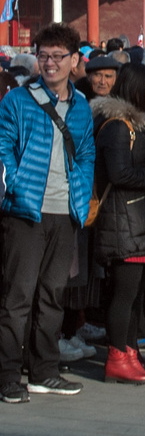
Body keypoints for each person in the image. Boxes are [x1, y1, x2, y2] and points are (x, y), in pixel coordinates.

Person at [0, 21, 95, 403]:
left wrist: (82, 197)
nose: (51, 63)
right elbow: (3, 149)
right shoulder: (17, 101)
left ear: (74, 60)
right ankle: (8, 375)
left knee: (52, 295)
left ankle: (44, 371)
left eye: (59, 57)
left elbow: (86, 154)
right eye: (44, 56)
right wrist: (17, 188)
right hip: (25, 212)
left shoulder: (82, 106)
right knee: (17, 297)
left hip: (64, 212)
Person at [91, 63, 145, 385]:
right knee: (125, 293)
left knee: (137, 293)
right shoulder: (117, 126)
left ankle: (130, 353)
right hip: (123, 221)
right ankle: (116, 356)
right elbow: (119, 174)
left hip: (142, 221)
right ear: (135, 87)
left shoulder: (138, 125)